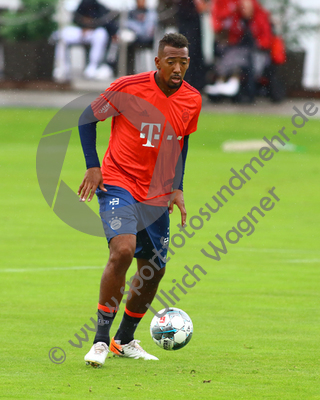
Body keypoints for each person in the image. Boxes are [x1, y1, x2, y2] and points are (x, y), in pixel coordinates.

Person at [78, 33, 202, 367]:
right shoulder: (128, 87)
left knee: (154, 270)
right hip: (118, 181)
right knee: (122, 250)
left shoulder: (192, 99)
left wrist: (177, 186)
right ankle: (101, 341)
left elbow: (182, 141)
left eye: (184, 61)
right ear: (158, 61)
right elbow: (87, 118)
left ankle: (125, 339)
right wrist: (93, 167)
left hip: (158, 191)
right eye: (172, 61)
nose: (178, 68)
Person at [207, 0, 272, 102]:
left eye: (247, 7)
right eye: (243, 7)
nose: (245, 10)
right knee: (233, 55)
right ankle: (223, 81)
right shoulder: (237, 20)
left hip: (257, 53)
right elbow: (232, 36)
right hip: (240, 52)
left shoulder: (260, 19)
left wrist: (255, 44)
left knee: (242, 57)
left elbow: (266, 40)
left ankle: (233, 81)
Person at [53, 0, 118, 82]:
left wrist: (91, 26)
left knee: (101, 34)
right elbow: (76, 19)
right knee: (63, 34)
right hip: (81, 32)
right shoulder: (82, 4)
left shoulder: (100, 7)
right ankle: (62, 67)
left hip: (94, 32)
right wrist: (83, 25)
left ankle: (93, 67)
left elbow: (106, 23)